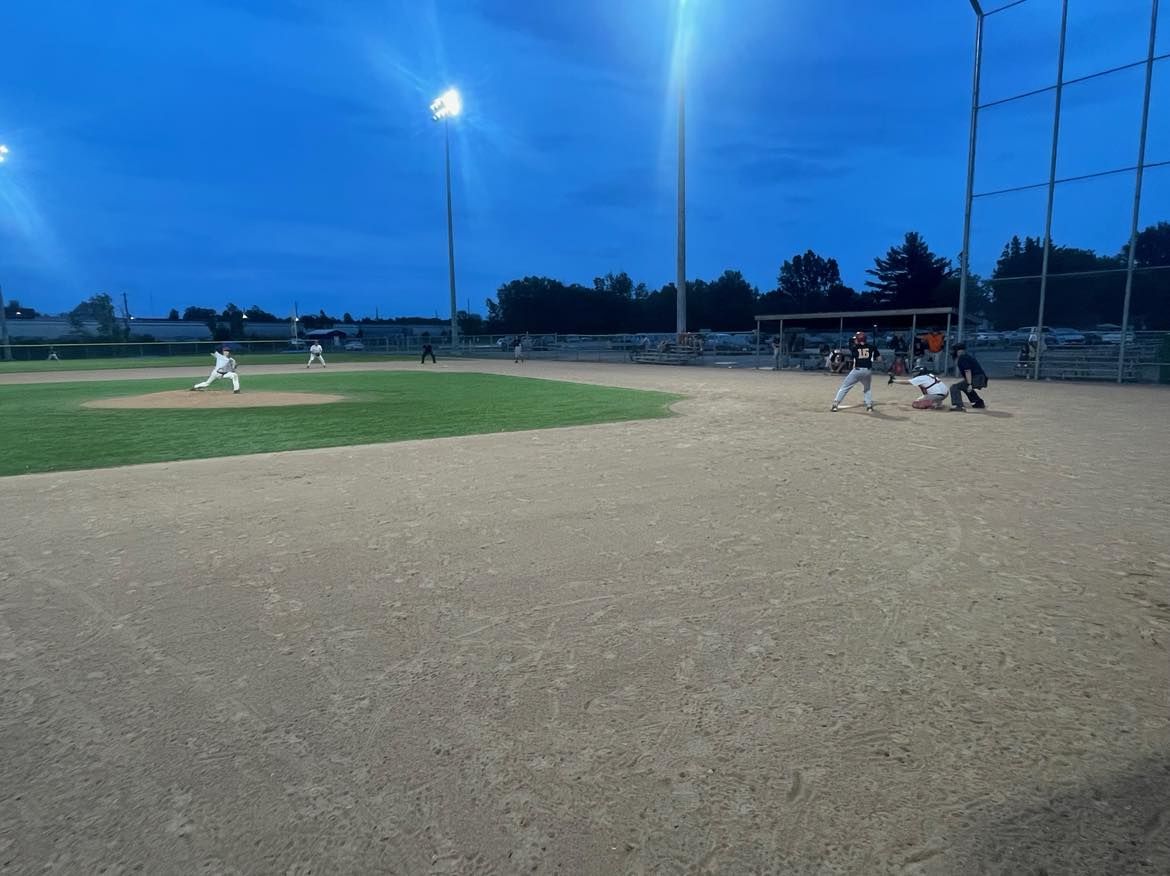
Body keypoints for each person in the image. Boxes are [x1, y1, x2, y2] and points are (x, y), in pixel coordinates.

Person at [830, 331, 881, 412]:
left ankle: (835, 405)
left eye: (856, 339)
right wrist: (869, 360)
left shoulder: (854, 348)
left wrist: (856, 342)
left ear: (858, 340)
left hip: (857, 370)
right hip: (867, 371)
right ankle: (869, 406)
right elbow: (879, 359)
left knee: (845, 387)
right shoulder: (872, 347)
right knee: (867, 388)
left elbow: (855, 347)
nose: (855, 340)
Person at [949, 342, 988, 411]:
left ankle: (959, 406)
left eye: (954, 350)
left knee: (954, 387)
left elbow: (967, 371)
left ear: (959, 350)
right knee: (964, 386)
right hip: (981, 378)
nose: (953, 352)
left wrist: (970, 384)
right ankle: (978, 402)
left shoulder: (962, 358)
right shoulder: (966, 356)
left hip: (977, 378)